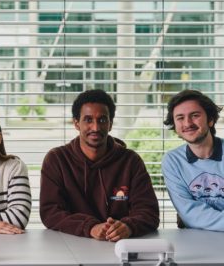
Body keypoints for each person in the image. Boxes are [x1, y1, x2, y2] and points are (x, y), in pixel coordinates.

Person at [40, 89, 159, 241]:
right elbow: (51, 212)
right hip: (72, 245)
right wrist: (90, 227)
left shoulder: (131, 161)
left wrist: (128, 226)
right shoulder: (56, 160)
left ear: (110, 124)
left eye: (102, 120)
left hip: (120, 245)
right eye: (88, 120)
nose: (95, 127)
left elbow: (149, 211)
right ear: (76, 123)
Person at [162, 89, 224, 231]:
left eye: (195, 115)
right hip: (194, 240)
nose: (187, 123)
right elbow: (190, 214)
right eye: (180, 118)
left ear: (210, 120)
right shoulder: (172, 161)